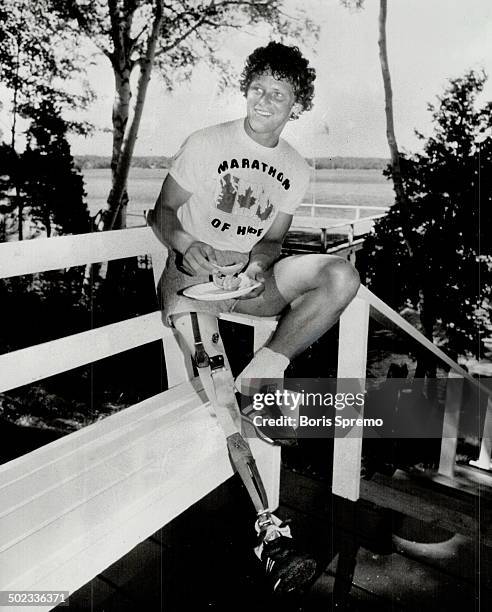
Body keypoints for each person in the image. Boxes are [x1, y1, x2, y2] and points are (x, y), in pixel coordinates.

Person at [149, 41, 360, 595]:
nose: (265, 99)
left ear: (297, 104)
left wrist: (258, 262)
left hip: (245, 286)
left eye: (280, 93)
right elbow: (162, 211)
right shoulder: (208, 142)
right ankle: (271, 531)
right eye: (259, 87)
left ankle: (266, 369)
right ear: (246, 88)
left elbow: (272, 241)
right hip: (193, 286)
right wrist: (182, 246)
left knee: (342, 277)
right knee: (222, 399)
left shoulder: (294, 166)